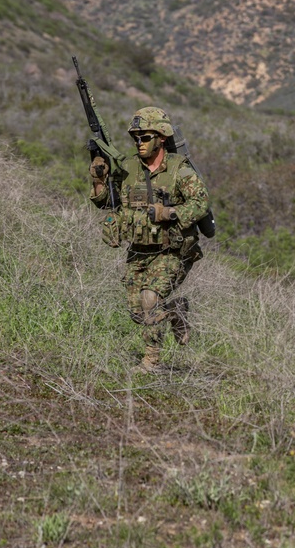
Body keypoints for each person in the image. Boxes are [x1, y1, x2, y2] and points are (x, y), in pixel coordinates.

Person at [89, 106, 210, 372]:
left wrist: (170, 212)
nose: (139, 143)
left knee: (150, 299)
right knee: (137, 313)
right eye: (136, 138)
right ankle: (176, 310)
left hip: (172, 250)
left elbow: (200, 203)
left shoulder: (179, 169)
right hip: (138, 250)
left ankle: (150, 362)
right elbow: (109, 201)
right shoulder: (129, 168)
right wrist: (99, 180)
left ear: (161, 138)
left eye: (145, 138)